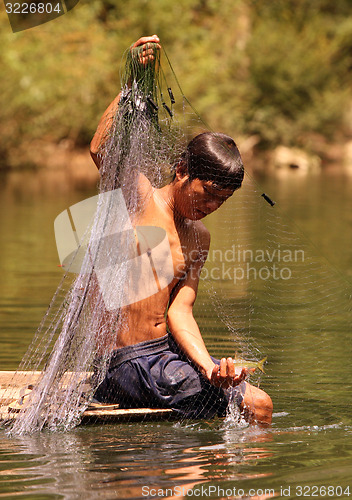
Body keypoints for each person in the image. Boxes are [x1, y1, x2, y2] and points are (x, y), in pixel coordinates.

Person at [90, 35, 273, 425]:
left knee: (250, 399)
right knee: (258, 406)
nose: (210, 207)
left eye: (221, 202)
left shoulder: (199, 238)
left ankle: (211, 477)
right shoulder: (140, 199)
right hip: (126, 362)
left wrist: (209, 368)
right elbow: (101, 150)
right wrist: (131, 86)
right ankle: (241, 484)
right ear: (181, 171)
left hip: (164, 356)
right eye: (206, 194)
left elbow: (181, 310)